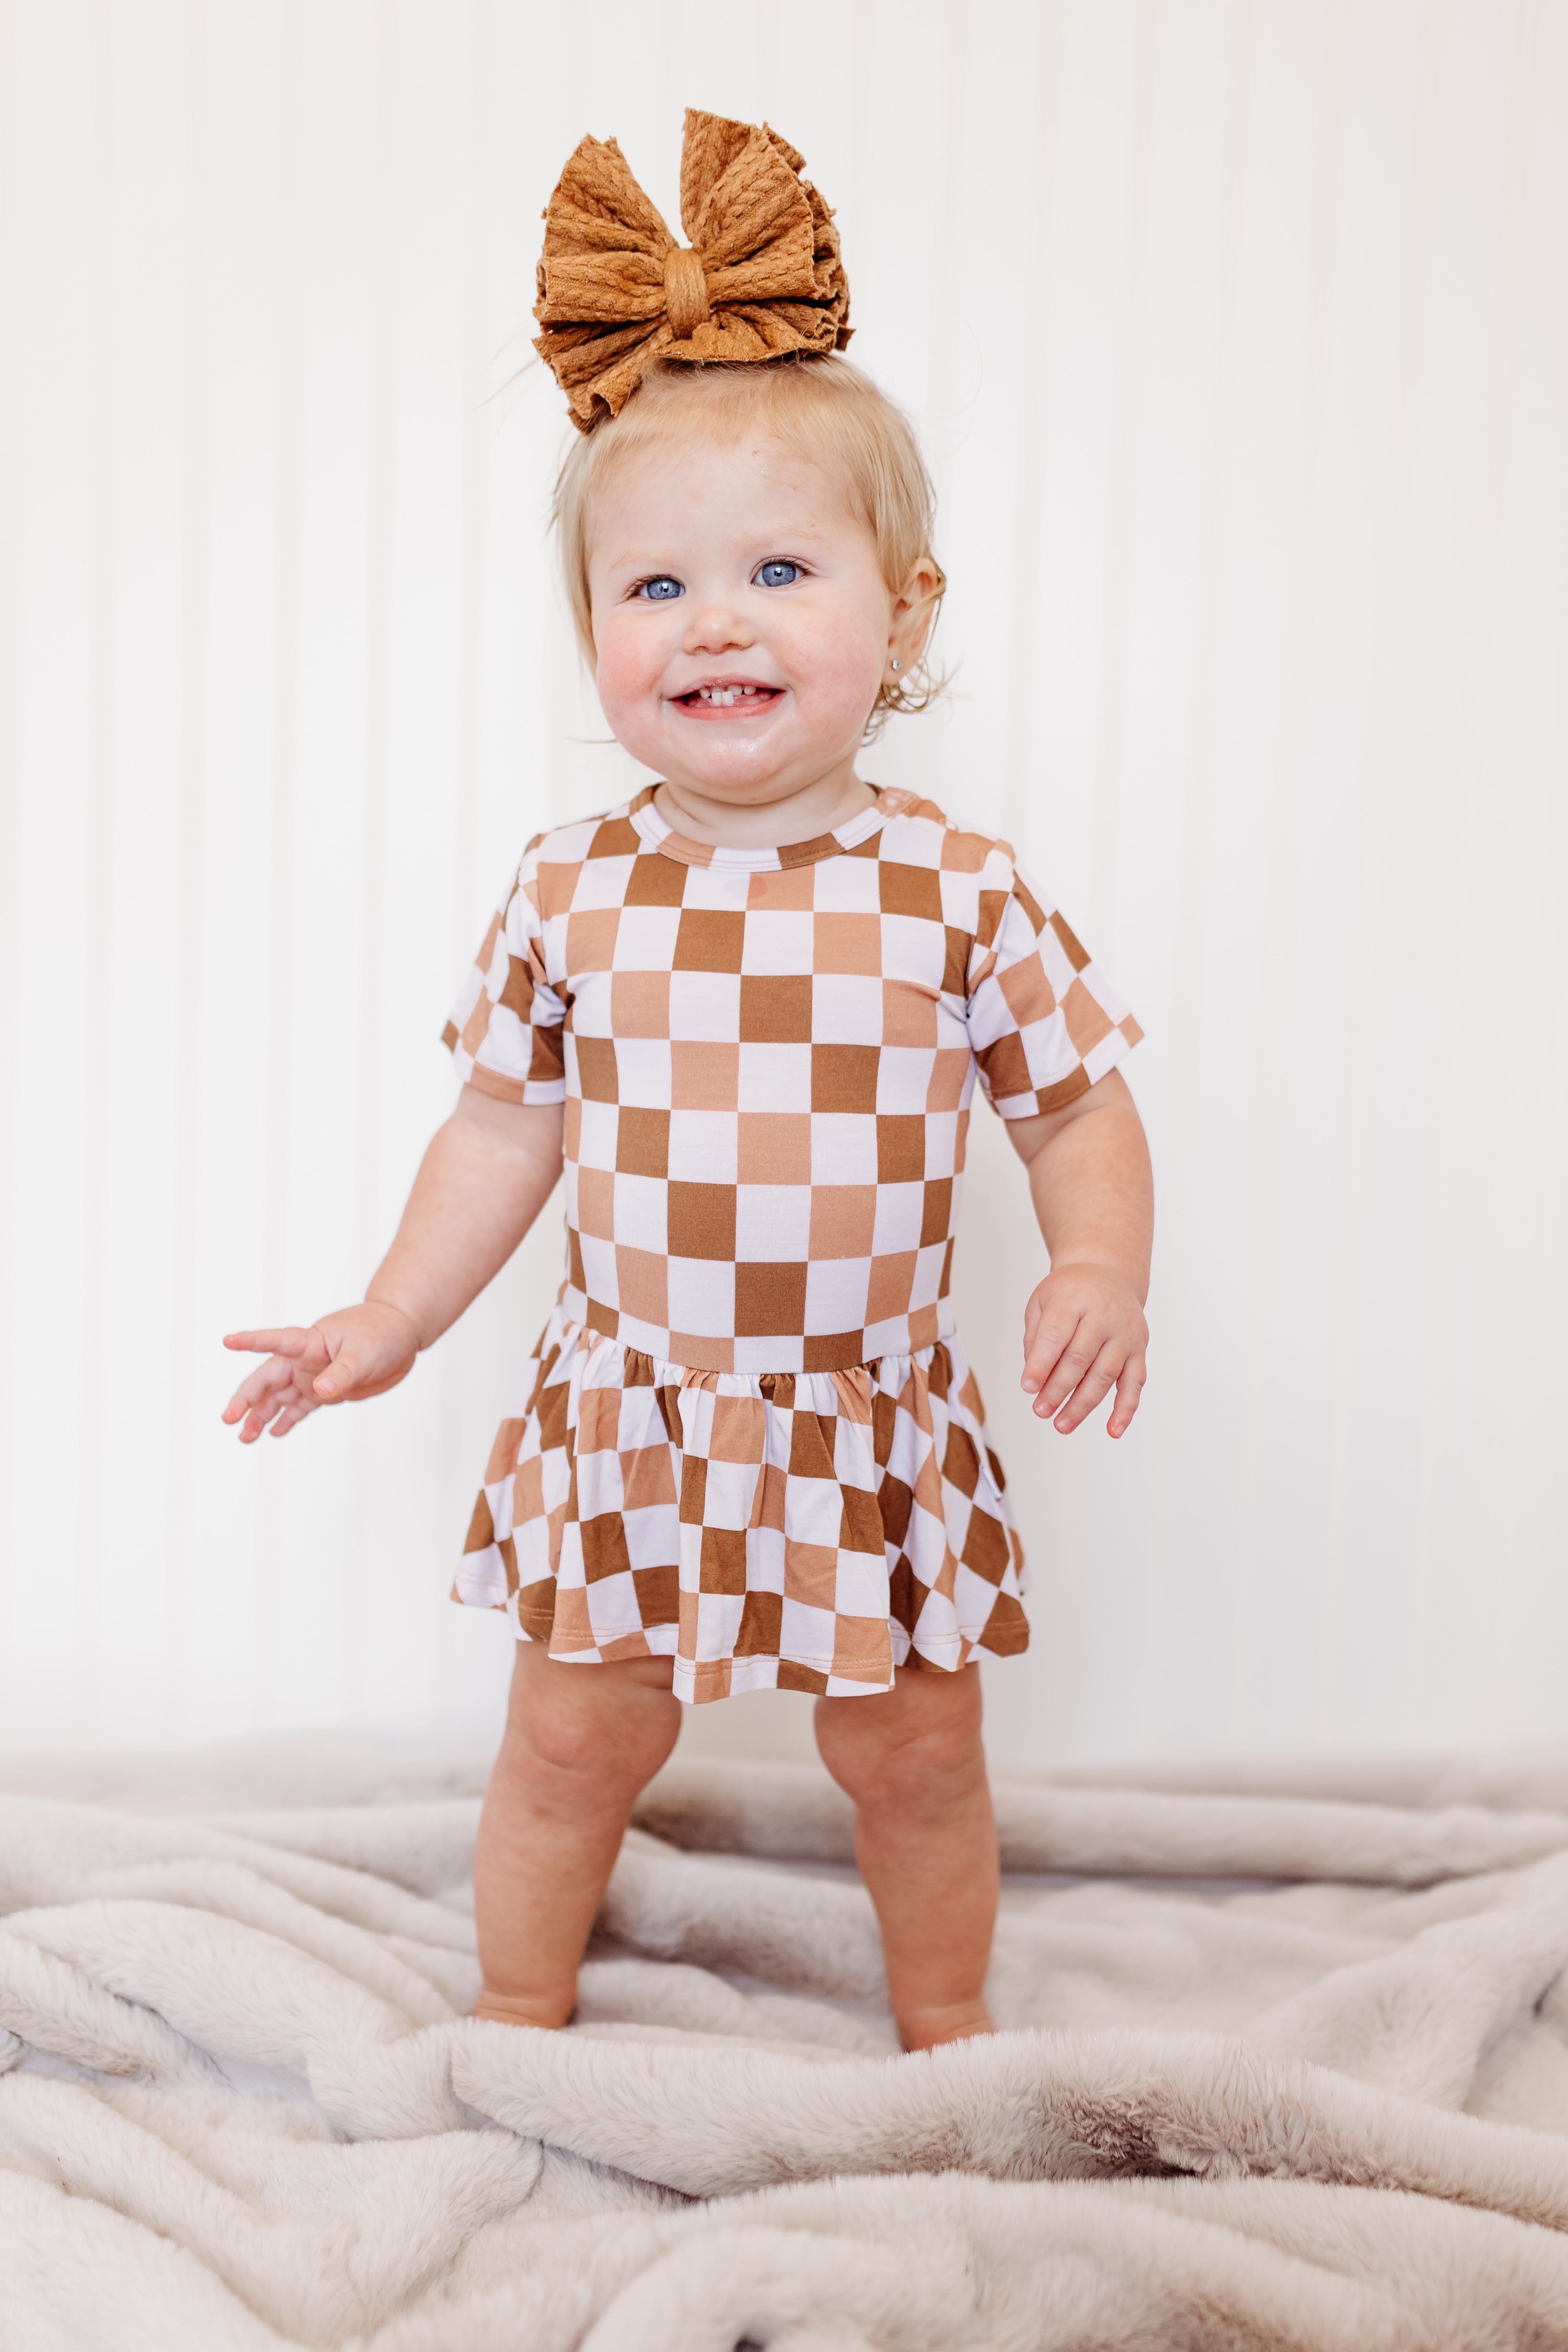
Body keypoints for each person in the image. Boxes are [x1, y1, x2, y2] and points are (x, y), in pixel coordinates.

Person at [222, 111, 1154, 2054]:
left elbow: (1072, 1105)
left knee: (915, 1750)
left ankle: (948, 2023)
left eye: (780, 568)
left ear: (905, 610)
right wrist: (392, 1314)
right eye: (652, 588)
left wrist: (1098, 1265)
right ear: (592, 633)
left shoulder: (955, 887)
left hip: (864, 1416)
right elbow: (502, 1123)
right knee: (573, 1736)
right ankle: (515, 2004)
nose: (714, 619)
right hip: (633, 1410)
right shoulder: (572, 886)